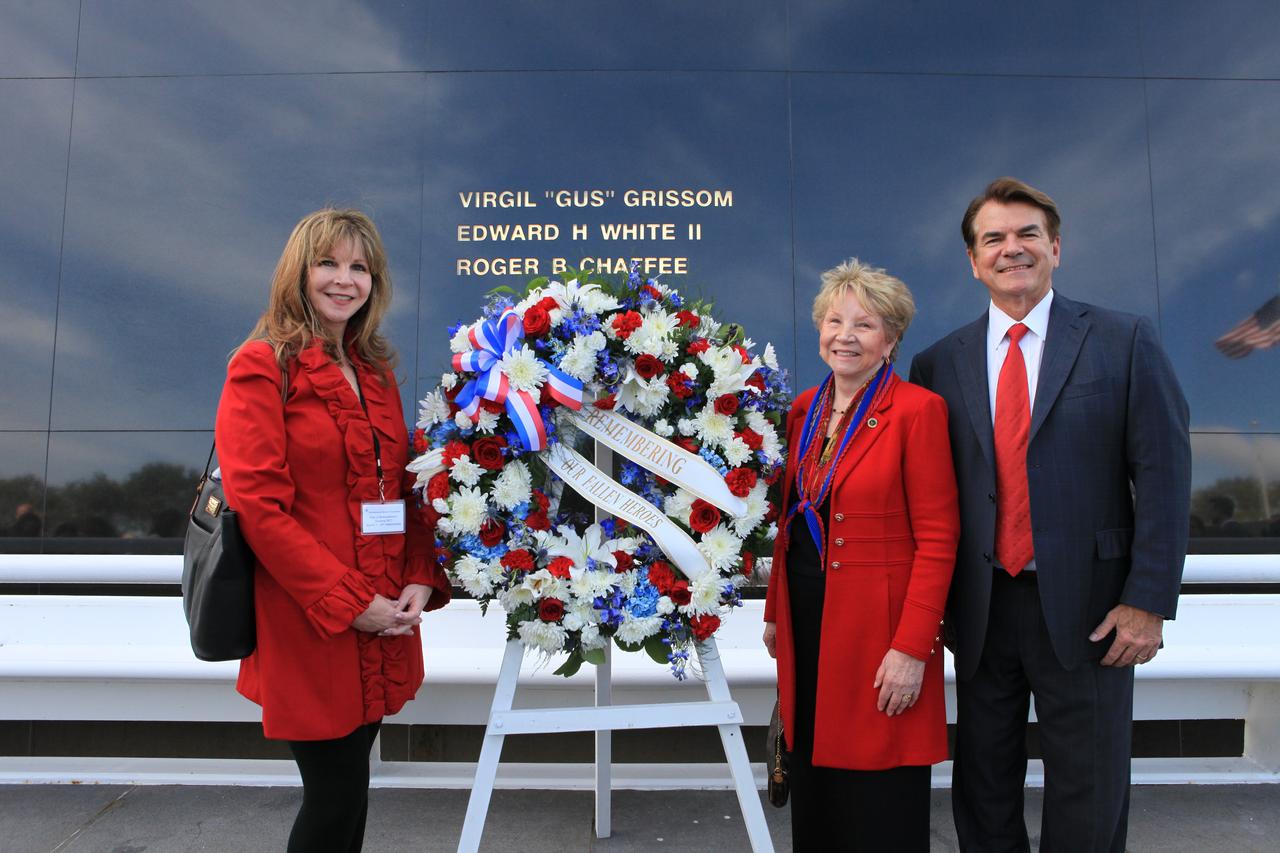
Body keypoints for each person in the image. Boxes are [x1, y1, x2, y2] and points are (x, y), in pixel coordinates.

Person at [909, 177, 1191, 852]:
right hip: (978, 612)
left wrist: (1147, 600)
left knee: (1088, 791)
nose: (1013, 249)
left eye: (1028, 234)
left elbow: (1164, 474)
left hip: (1094, 611)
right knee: (983, 787)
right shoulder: (936, 362)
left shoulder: (1124, 340)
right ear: (974, 261)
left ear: (1056, 248)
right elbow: (929, 497)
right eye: (994, 239)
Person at [215, 209, 451, 853]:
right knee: (333, 796)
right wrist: (352, 607)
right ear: (300, 270)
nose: (344, 280)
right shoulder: (260, 366)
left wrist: (417, 579)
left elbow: (403, 486)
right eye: (329, 263)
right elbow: (261, 509)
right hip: (310, 617)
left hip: (385, 609)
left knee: (350, 794)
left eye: (359, 268)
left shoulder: (374, 372)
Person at [763, 258, 959, 852]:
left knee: (879, 791)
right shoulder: (802, 410)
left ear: (891, 340)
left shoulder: (917, 410)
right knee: (815, 777)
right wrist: (775, 611)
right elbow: (791, 522)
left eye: (864, 324)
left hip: (879, 630)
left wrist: (912, 648)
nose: (844, 335)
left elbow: (939, 536)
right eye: (833, 320)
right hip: (807, 619)